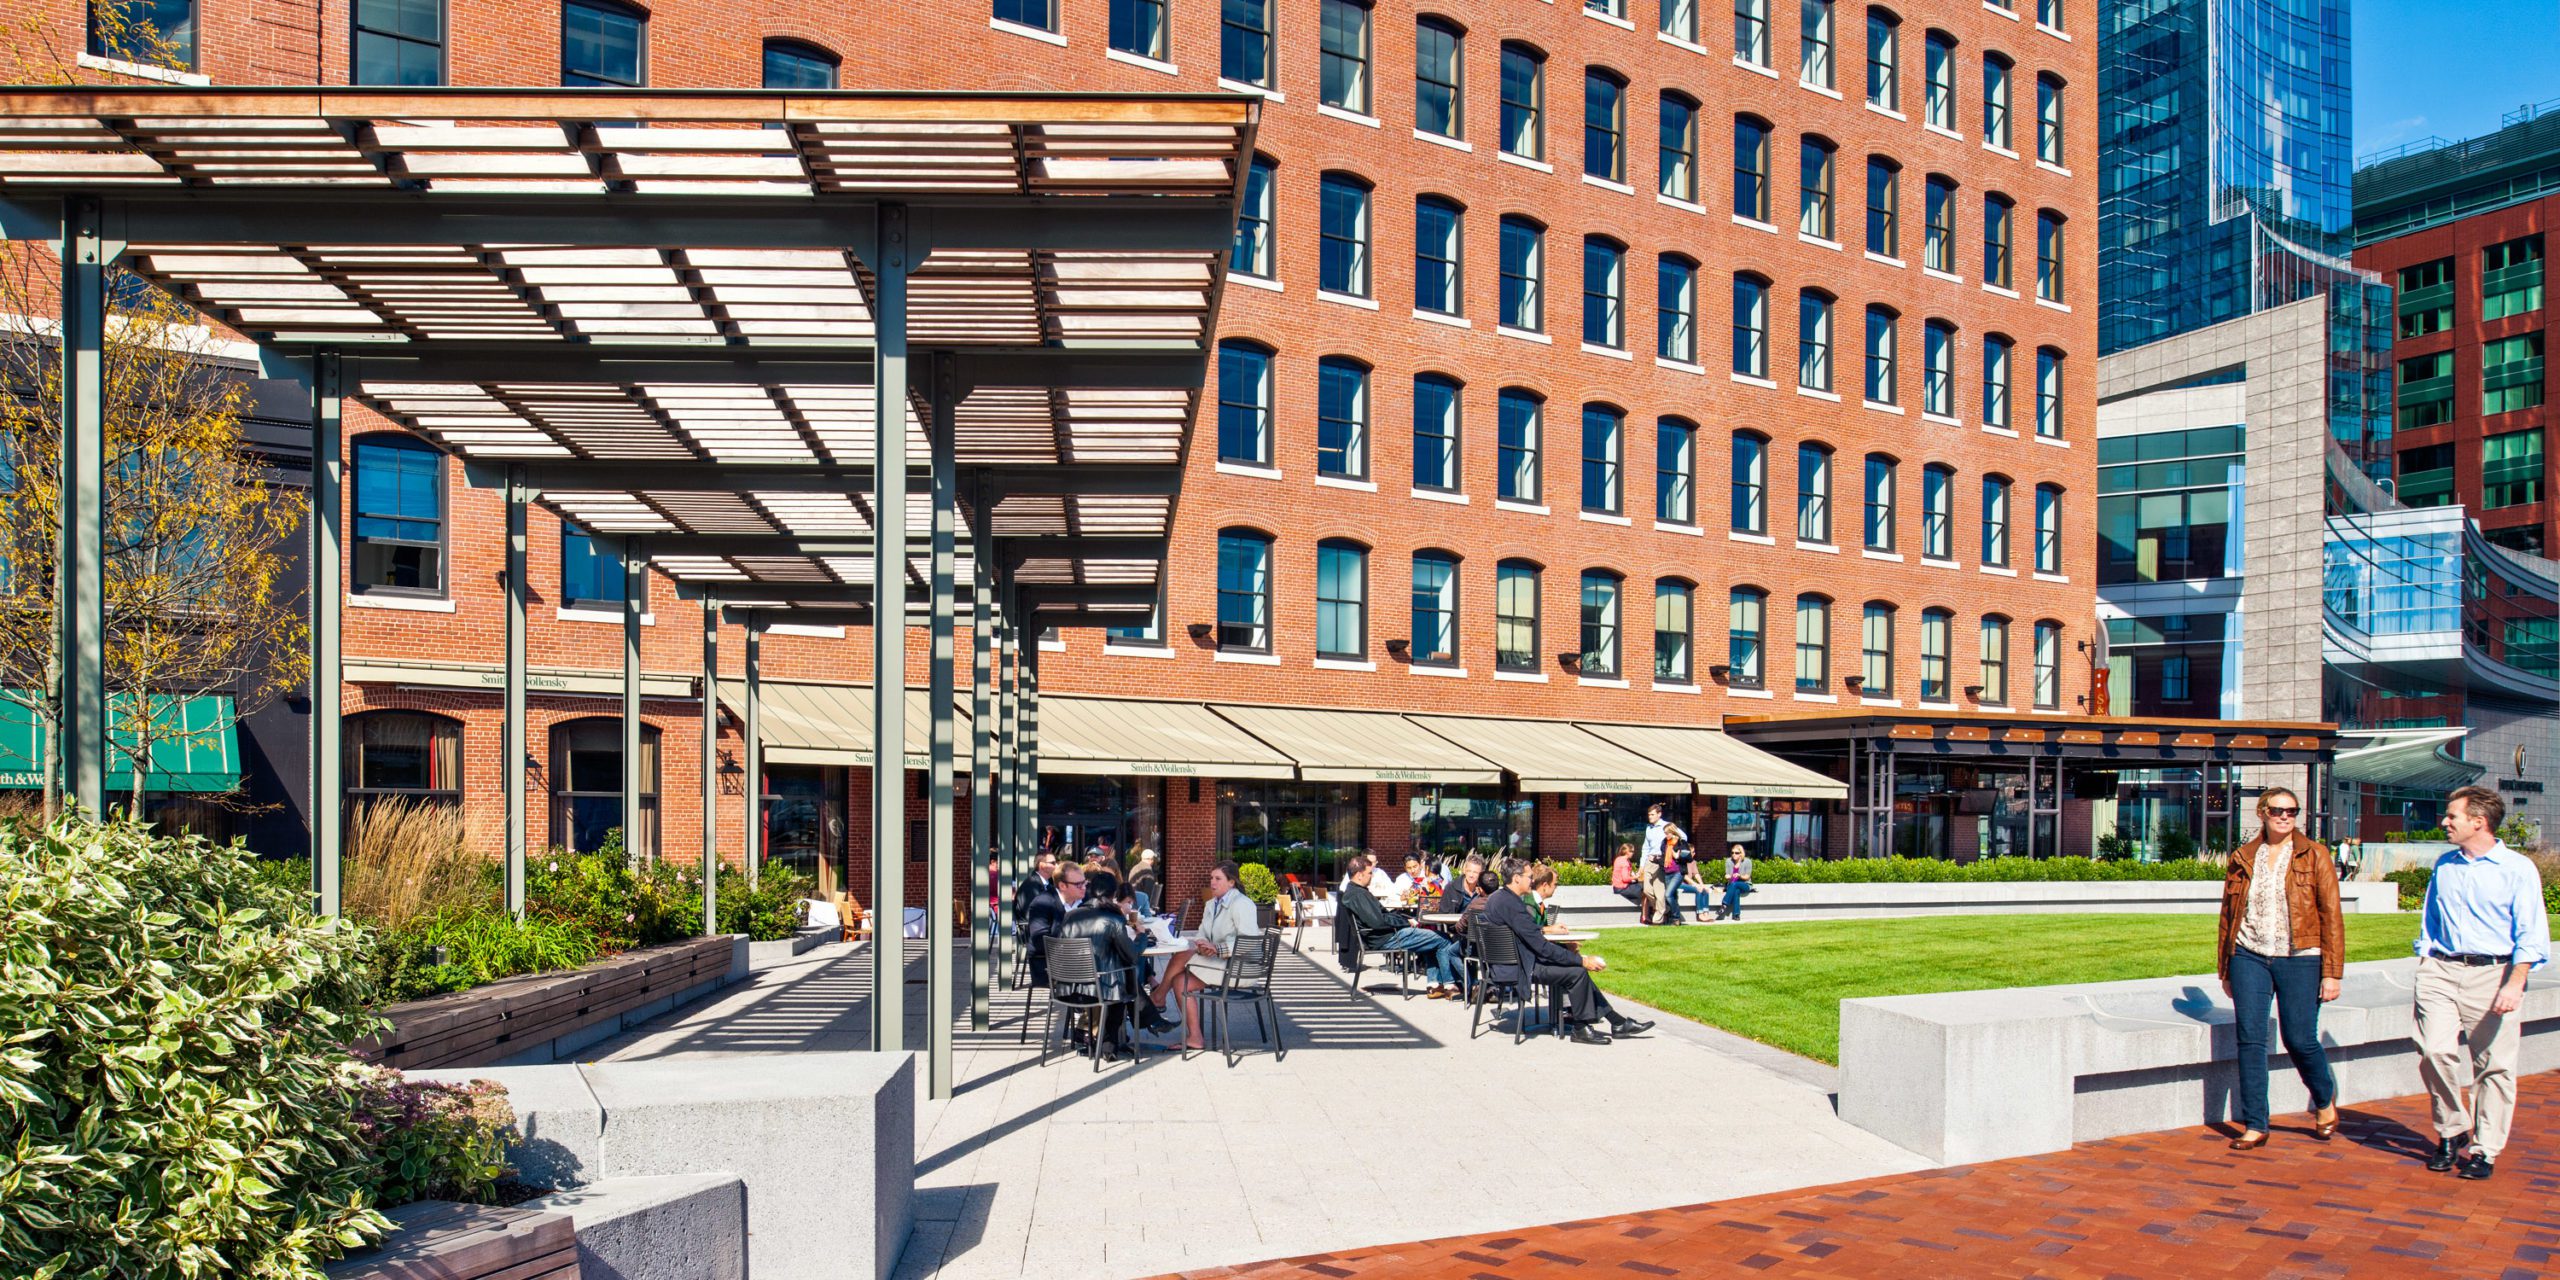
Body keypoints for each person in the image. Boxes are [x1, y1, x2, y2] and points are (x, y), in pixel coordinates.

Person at [2411, 785, 2550, 1180]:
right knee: (2433, 1051)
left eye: (2452, 816)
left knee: (2494, 1067)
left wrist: (2515, 982)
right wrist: (2426, 960)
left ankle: (2485, 1150)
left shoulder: (2518, 869)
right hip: (2440, 970)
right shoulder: (2445, 865)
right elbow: (2430, 920)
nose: (2444, 822)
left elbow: (2531, 933)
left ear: (2479, 821)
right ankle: (2452, 1129)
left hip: (2494, 974)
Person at [2215, 787, 2343, 1152]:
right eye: (2277, 810)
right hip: (2249, 955)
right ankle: (2256, 1124)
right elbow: (2228, 915)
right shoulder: (2243, 857)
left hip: (2301, 957)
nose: (2285, 816)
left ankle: (2323, 1100)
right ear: (2262, 813)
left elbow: (2331, 916)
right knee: (2250, 1039)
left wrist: (2332, 972)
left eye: (2292, 811)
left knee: (2299, 1039)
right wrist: (2226, 966)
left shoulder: (2314, 855)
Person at [1479, 856, 1652, 1045]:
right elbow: (1542, 948)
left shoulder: (1499, 899)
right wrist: (1581, 961)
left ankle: (1615, 1022)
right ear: (1517, 878)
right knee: (1576, 972)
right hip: (1519, 969)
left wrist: (1545, 930)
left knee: (1573, 966)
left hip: (1507, 964)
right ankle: (1581, 1028)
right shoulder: (1513, 904)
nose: (1532, 880)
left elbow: (1524, 931)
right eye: (1529, 877)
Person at [1151, 860, 1258, 1052]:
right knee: (1180, 981)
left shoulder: (1242, 904)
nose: (1212, 882)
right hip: (1220, 961)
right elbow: (1202, 933)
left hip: (1240, 966)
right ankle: (1195, 1038)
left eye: (1218, 879)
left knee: (1183, 954)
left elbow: (1249, 942)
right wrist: (1202, 944)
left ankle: (1158, 996)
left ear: (1231, 882)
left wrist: (1218, 949)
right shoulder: (1211, 904)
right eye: (1211, 878)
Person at [1050, 864, 1148, 1060]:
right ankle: (1108, 1045)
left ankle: (1104, 1041)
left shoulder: (1069, 917)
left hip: (1068, 989)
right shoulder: (1113, 919)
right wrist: (1141, 936)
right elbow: (1132, 956)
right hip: (1100, 991)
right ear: (1113, 895)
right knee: (1123, 984)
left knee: (1116, 977)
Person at [1337, 854, 1463, 998]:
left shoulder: (1353, 892)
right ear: (1359, 875)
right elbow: (1378, 921)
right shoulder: (1358, 894)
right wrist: (1405, 922)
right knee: (1443, 939)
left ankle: (1434, 985)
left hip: (1380, 937)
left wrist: (1404, 920)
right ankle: (1450, 985)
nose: (1371, 876)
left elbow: (1380, 917)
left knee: (1431, 940)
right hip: (1387, 938)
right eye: (1369, 873)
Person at [1722, 845, 1753, 923]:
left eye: (1736, 853)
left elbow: (1747, 876)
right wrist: (1728, 876)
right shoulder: (1729, 861)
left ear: (1741, 854)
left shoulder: (1747, 861)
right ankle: (1736, 915)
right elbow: (1727, 874)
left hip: (1745, 884)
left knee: (1735, 885)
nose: (1734, 854)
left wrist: (1739, 876)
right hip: (1732, 884)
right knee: (1736, 891)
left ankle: (1724, 903)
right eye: (1732, 852)